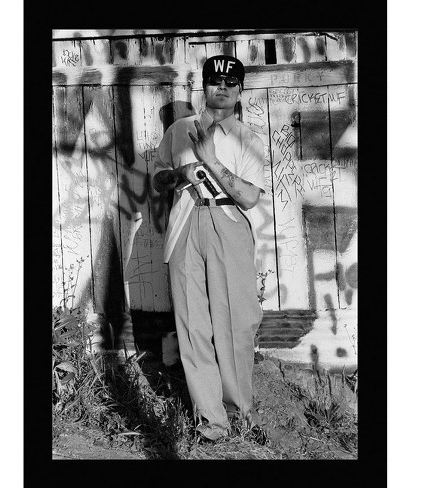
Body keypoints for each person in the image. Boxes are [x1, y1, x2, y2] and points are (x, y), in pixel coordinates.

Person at [152, 55, 267, 443]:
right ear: (203, 85)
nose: (221, 87)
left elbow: (249, 197)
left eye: (230, 82)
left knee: (236, 321)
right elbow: (157, 179)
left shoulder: (248, 139)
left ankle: (240, 411)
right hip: (186, 223)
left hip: (229, 224)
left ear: (240, 89)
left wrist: (211, 162)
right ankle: (211, 422)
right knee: (193, 326)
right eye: (214, 81)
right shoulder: (179, 129)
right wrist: (179, 174)